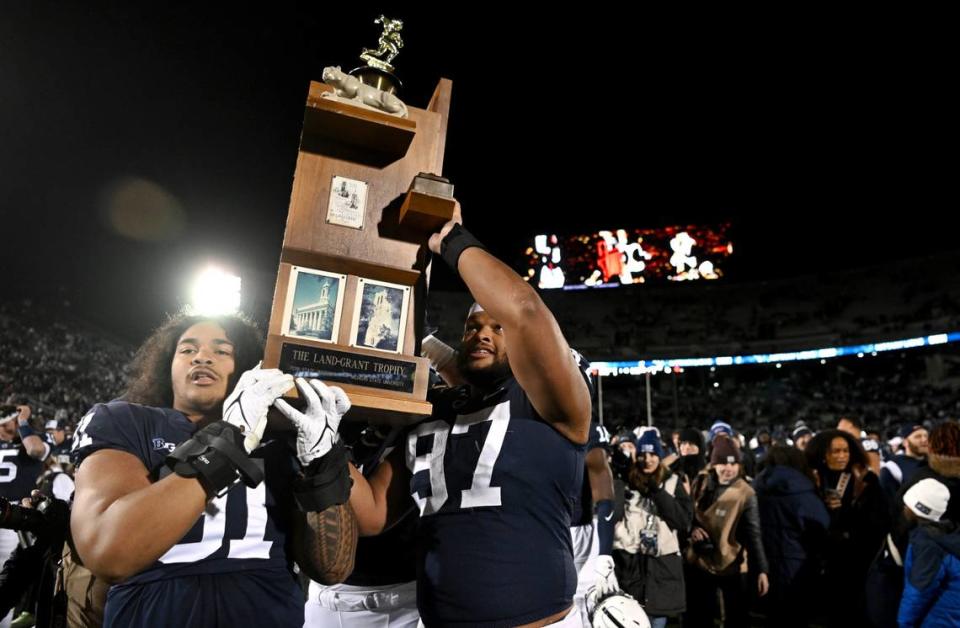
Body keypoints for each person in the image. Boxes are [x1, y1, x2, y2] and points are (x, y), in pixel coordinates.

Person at [340, 205, 593, 626]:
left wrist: (450, 239)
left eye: (497, 328)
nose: (482, 334)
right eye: (473, 327)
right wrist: (325, 446)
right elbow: (372, 515)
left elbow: (525, 311)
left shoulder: (546, 401)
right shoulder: (437, 409)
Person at [70, 313, 358, 627]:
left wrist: (322, 460)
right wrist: (230, 439)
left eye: (222, 351)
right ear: (168, 364)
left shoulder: (284, 434)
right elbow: (110, 553)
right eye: (187, 349)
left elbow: (332, 569)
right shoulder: (124, 420)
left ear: (248, 366)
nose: (202, 357)